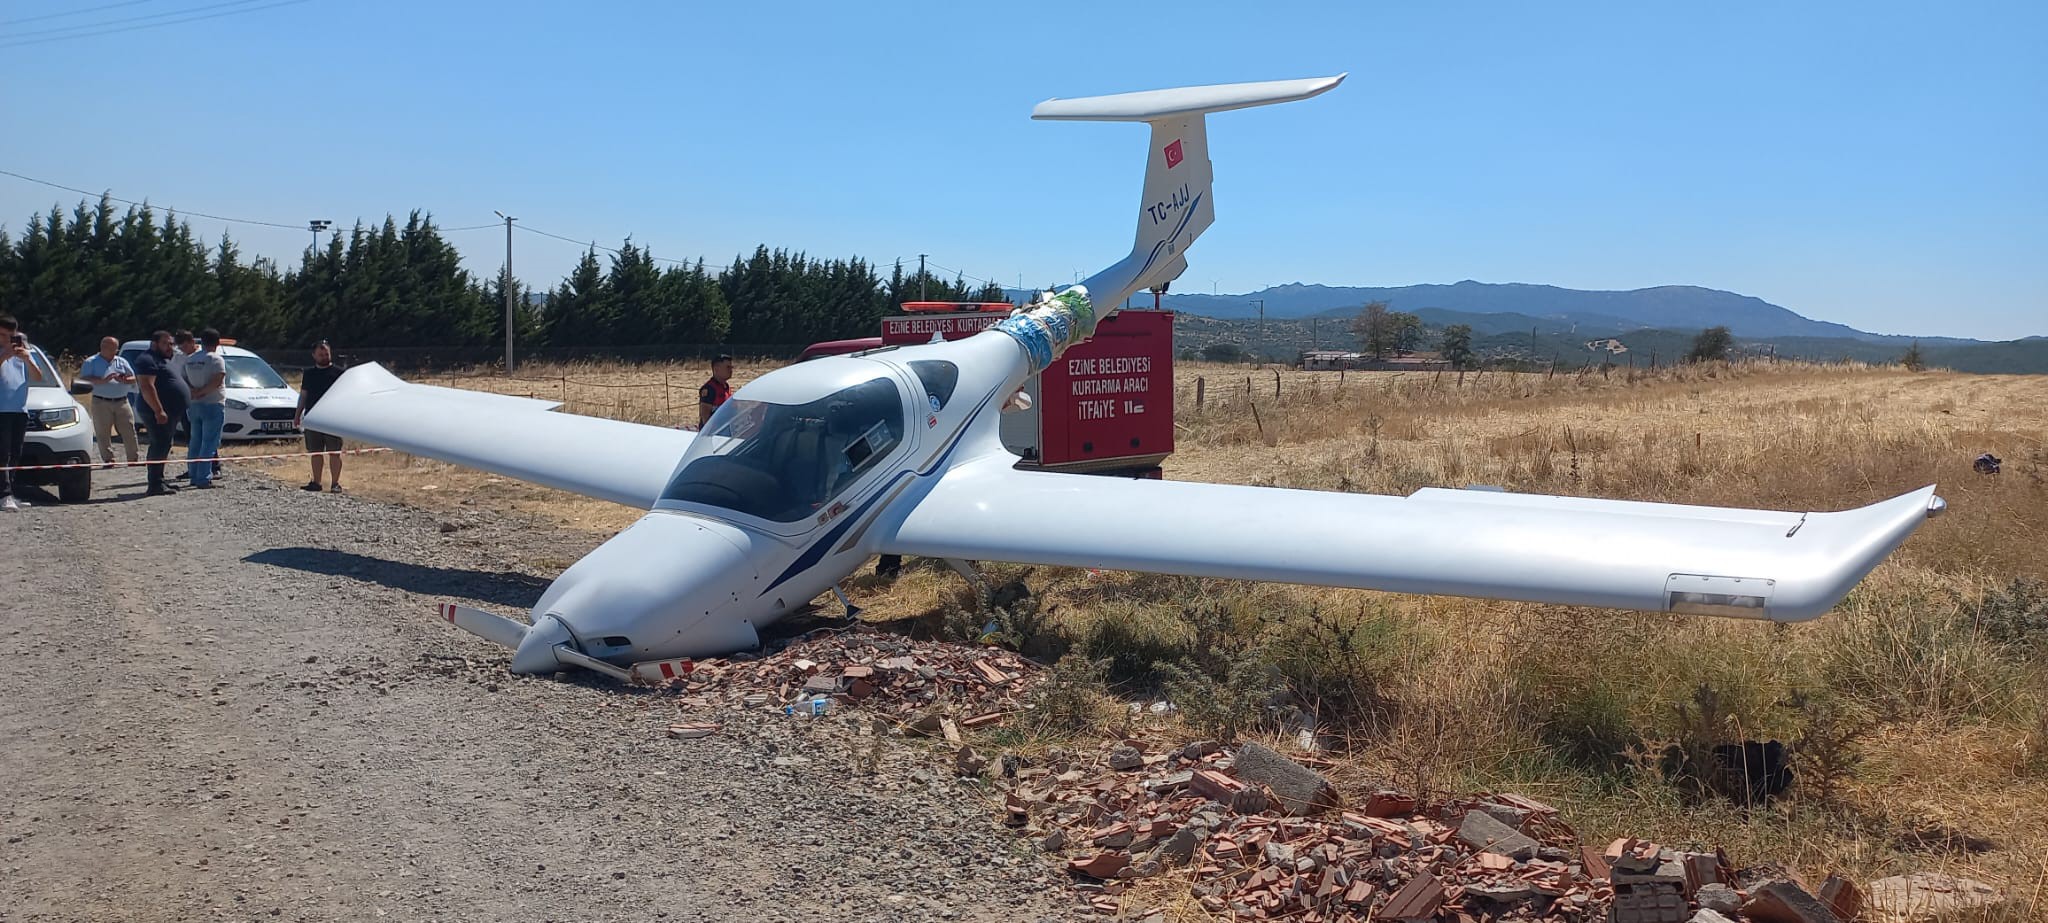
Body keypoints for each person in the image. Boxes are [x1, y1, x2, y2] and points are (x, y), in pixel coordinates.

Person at [132, 330, 190, 496]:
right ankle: (155, 484)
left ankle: (160, 480)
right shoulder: (147, 359)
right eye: (165, 343)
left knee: (165, 444)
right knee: (159, 444)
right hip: (156, 411)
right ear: (154, 343)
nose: (169, 346)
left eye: (171, 343)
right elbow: (147, 387)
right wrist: (158, 410)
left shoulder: (163, 359)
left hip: (170, 411)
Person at [1, 315, 46, 511]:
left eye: (10, 336)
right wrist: (4, 355)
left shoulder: (23, 355)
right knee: (2, 454)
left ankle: (11, 491)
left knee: (15, 453)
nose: (6, 340)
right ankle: (4, 494)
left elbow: (38, 377)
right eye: (2, 335)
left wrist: (27, 359)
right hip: (1, 410)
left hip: (19, 410)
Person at [78, 336, 140, 466]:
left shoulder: (121, 361)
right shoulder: (91, 362)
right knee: (103, 431)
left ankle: (133, 458)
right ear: (103, 347)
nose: (115, 351)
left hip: (122, 400)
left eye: (116, 348)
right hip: (101, 401)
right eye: (112, 348)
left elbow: (133, 378)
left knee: (129, 429)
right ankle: (108, 459)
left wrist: (124, 380)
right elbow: (84, 380)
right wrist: (103, 381)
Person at [180, 328, 228, 489]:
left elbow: (183, 379)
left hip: (194, 405)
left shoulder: (190, 359)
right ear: (218, 342)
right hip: (213, 403)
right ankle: (203, 477)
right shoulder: (215, 359)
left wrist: (193, 392)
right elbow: (217, 380)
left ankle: (193, 474)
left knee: (195, 441)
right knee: (209, 442)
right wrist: (202, 392)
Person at [296, 340, 345, 492]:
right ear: (314, 356)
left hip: (333, 418)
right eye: (321, 354)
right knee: (315, 452)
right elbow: (303, 395)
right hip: (312, 418)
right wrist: (298, 414)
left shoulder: (340, 373)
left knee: (334, 452)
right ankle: (316, 482)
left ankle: (335, 484)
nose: (324, 357)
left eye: (326, 354)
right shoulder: (309, 373)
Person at [698, 354, 735, 426]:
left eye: (731, 367)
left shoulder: (726, 386)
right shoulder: (709, 389)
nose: (731, 370)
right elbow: (705, 418)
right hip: (712, 433)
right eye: (728, 367)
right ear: (716, 369)